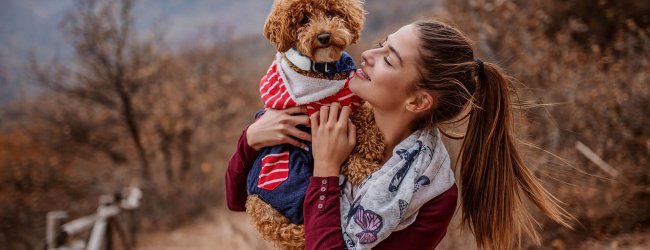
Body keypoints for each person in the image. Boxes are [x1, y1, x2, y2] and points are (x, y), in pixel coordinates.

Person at [226, 20, 573, 249]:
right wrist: (251, 140)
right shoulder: (334, 120)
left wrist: (327, 170)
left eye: (389, 59)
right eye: (381, 43)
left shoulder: (432, 193)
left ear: (418, 99)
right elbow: (238, 199)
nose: (367, 54)